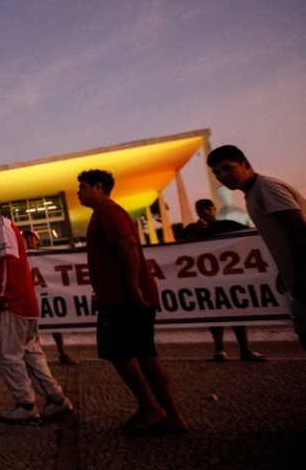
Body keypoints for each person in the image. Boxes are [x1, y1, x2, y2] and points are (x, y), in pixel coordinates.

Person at [77, 170, 188, 433]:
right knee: (144, 351)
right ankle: (169, 414)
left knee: (120, 352)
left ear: (98, 187)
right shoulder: (106, 213)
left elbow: (127, 245)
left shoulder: (108, 212)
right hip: (124, 296)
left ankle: (152, 408)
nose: (78, 192)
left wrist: (132, 287)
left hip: (123, 298)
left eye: (82, 187)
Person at [0, 195, 74, 424]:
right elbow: (0, 261)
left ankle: (26, 405)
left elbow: (8, 264)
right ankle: (57, 400)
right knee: (31, 355)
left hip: (13, 304)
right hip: (24, 304)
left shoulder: (3, 227)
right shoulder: (3, 228)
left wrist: (3, 295)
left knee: (8, 356)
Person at [207, 145, 306, 351]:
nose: (222, 176)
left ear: (245, 164)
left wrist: (301, 273)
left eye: (227, 168)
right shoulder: (252, 193)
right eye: (217, 172)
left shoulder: (266, 187)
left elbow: (299, 227)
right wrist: (284, 270)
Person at [181, 198, 267, 362]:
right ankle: (219, 349)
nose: (204, 212)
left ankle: (245, 349)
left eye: (208, 209)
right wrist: (195, 233)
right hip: (205, 279)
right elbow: (180, 248)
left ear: (214, 210)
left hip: (229, 277)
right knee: (214, 313)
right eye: (200, 210)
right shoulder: (192, 228)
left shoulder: (227, 225)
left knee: (235, 311)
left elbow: (250, 235)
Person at [22, 230, 78, 366]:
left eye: (31, 237)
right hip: (30, 296)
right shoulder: (22, 256)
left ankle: (61, 352)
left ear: (37, 241)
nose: (29, 240)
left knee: (54, 322)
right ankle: (36, 356)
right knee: (31, 328)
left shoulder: (45, 256)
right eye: (26, 238)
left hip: (45, 294)